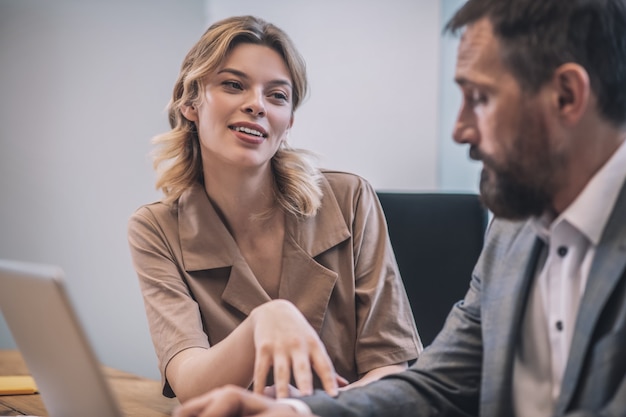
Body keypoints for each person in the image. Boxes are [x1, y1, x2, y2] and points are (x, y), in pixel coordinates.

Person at [171, 0, 626, 416]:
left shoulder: (351, 198)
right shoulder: (512, 231)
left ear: (566, 96)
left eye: (480, 98)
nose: (460, 129)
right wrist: (295, 413)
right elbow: (439, 386)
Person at [127, 15, 421, 404]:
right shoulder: (155, 229)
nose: (256, 105)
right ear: (190, 102)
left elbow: (390, 369)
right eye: (233, 85)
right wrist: (264, 322)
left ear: (289, 121)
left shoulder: (351, 199)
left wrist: (303, 410)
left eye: (277, 95)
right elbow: (189, 382)